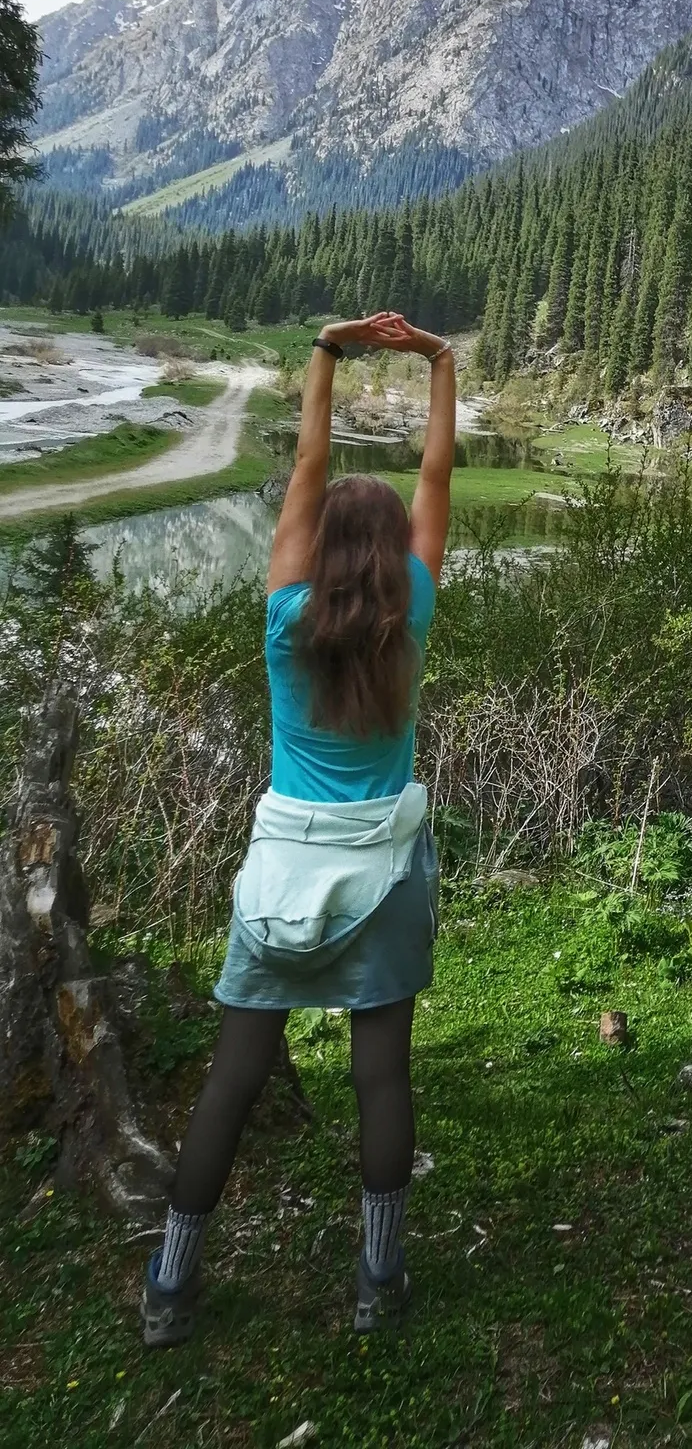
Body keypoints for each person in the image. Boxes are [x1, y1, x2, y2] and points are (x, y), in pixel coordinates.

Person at [141, 310, 457, 1347]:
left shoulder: (286, 620)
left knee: (231, 1082)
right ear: (399, 555)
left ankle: (170, 1287)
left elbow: (308, 468)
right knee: (383, 1079)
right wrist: (440, 364)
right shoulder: (410, 609)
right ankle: (377, 1279)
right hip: (386, 873)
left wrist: (326, 352)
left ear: (320, 547)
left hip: (280, 873)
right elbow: (437, 481)